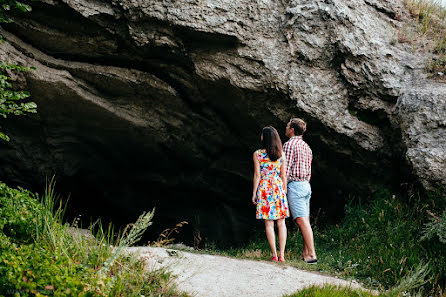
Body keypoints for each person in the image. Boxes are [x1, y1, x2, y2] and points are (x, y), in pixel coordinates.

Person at [252, 126, 289, 262]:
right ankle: (282, 255)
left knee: (269, 224)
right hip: (278, 187)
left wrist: (254, 193)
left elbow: (257, 175)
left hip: (265, 188)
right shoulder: (281, 154)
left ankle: (274, 254)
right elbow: (283, 175)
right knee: (281, 223)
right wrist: (284, 190)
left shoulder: (258, 154)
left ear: (265, 137)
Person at [283, 118, 317, 264]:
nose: (285, 127)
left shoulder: (289, 145)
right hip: (305, 185)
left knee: (301, 221)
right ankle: (305, 253)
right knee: (306, 221)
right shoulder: (306, 146)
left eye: (287, 125)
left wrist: (282, 189)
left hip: (295, 185)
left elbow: (285, 169)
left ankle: (311, 255)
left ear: (292, 129)